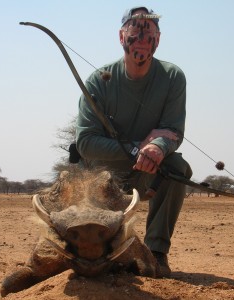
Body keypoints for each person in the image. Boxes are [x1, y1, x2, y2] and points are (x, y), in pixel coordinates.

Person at [76, 6, 192, 278]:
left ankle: (156, 253)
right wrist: (139, 148)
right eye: (135, 29)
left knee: (178, 167)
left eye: (148, 30)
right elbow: (85, 142)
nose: (141, 35)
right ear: (121, 36)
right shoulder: (98, 81)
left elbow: (173, 130)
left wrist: (158, 147)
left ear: (158, 39)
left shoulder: (173, 77)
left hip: (149, 172)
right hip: (103, 178)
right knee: (90, 261)